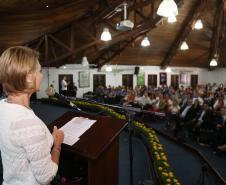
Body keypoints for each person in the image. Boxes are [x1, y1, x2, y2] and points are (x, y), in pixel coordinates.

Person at [0, 46, 64, 185]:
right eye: (39, 71)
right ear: (29, 77)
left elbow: (23, 142)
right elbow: (46, 176)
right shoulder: (26, 121)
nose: (41, 75)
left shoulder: (4, 106)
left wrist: (48, 139)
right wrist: (57, 145)